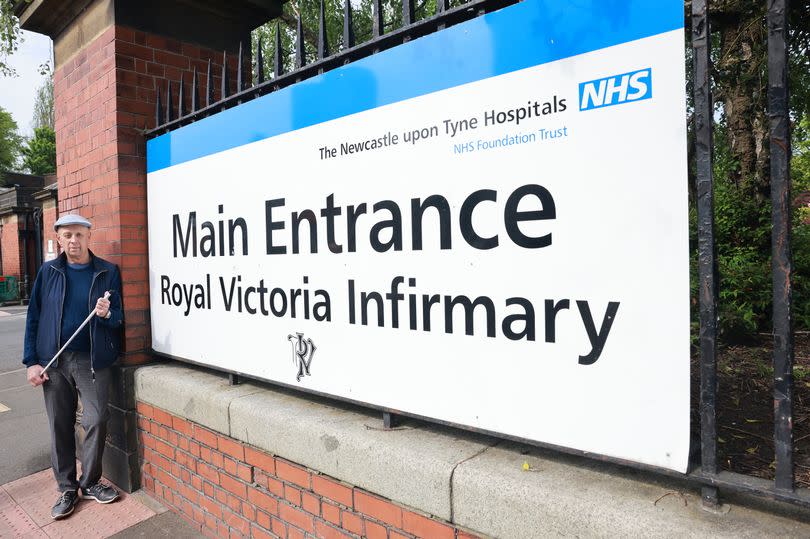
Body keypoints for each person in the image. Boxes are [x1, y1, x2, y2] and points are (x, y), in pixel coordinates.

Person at [23, 214, 124, 519]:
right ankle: (67, 488)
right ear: (59, 239)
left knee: (96, 418)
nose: (74, 241)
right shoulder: (48, 271)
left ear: (89, 236)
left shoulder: (107, 271)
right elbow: (34, 318)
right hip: (53, 360)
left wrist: (107, 315)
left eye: (79, 235)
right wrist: (32, 362)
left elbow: (120, 319)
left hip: (91, 360)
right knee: (60, 424)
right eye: (67, 235)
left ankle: (90, 482)